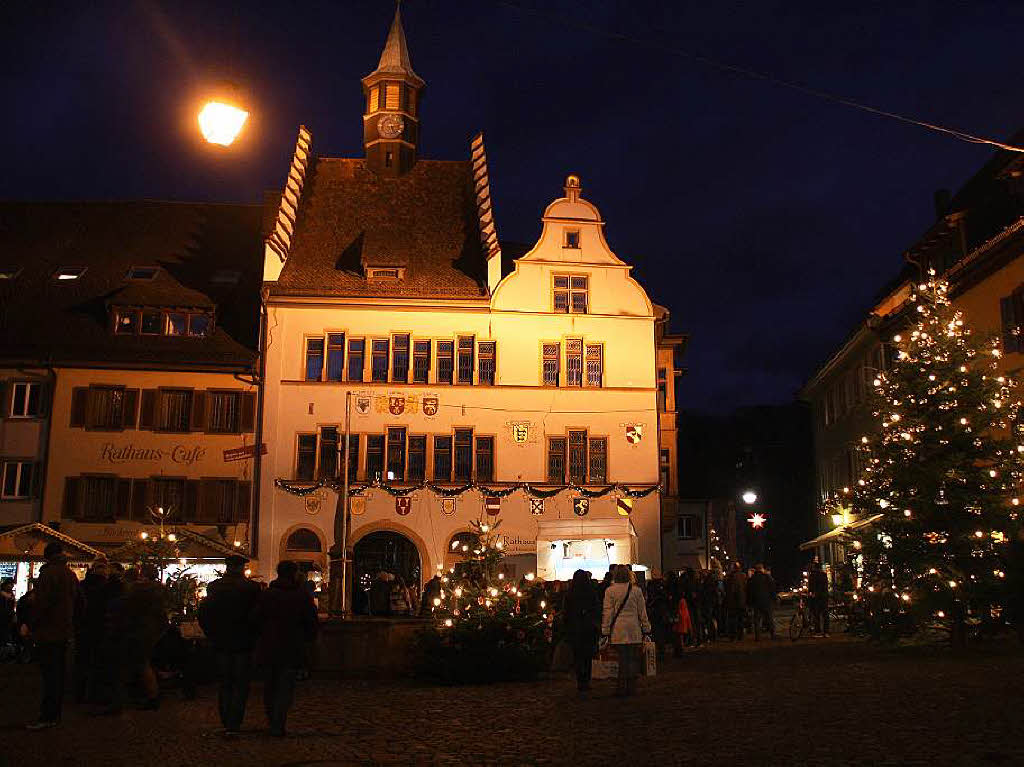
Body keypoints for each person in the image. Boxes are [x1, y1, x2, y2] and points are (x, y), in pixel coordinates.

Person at [254, 560, 319, 737]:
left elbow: (256, 619)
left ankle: (271, 720)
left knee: (270, 686)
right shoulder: (302, 596)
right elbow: (311, 622)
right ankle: (278, 722)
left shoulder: (267, 594)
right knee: (285, 687)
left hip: (269, 646)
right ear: (294, 573)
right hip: (292, 647)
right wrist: (308, 640)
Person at [199, 554, 261, 736]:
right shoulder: (251, 588)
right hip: (243, 642)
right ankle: (235, 722)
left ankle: (226, 719)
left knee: (225, 682)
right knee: (241, 683)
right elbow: (257, 616)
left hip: (221, 641)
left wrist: (211, 634)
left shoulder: (214, 587)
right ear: (242, 568)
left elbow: (204, 613)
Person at [26, 541, 81, 729]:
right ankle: (54, 714)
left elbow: (43, 604)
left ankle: (47, 716)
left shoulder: (49, 574)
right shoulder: (70, 574)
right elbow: (80, 602)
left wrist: (31, 624)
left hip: (49, 630)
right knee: (57, 672)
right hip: (63, 629)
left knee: (50, 673)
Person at [106, 562, 167, 713]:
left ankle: (150, 696)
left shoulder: (137, 590)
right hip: (151, 629)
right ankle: (151, 693)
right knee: (144, 662)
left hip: (139, 629)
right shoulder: (158, 590)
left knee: (140, 663)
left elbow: (126, 608)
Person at [601, 565, 652, 697]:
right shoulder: (636, 591)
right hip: (634, 629)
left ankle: (620, 687)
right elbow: (642, 611)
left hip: (618, 630)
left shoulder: (610, 591)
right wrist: (646, 628)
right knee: (632, 660)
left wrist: (605, 630)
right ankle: (631, 687)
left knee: (621, 661)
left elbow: (608, 612)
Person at [74, 556, 110, 702]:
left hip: (84, 627)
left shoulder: (82, 585)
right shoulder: (108, 587)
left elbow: (76, 607)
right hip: (102, 628)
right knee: (99, 662)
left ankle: (80, 693)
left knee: (83, 661)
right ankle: (96, 695)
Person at [563, 569, 601, 693]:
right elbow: (596, 609)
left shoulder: (570, 594)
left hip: (575, 629)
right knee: (588, 656)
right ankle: (587, 680)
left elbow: (566, 613)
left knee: (577, 656)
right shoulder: (591, 593)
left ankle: (580, 680)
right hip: (589, 628)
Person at [747, 563, 777, 641]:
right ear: (762, 569)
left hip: (756, 602)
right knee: (769, 618)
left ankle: (758, 637)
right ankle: (772, 635)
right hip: (767, 601)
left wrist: (750, 602)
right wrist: (774, 599)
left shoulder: (752, 579)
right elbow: (772, 588)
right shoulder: (767, 577)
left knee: (757, 620)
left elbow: (749, 591)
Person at [724, 561, 748, 641]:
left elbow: (731, 590)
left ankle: (733, 636)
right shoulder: (743, 576)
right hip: (742, 601)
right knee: (740, 619)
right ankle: (740, 636)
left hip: (733, 602)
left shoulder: (731, 577)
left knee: (733, 620)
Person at [808, 561, 830, 637]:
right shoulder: (824, 575)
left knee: (816, 615)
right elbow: (826, 586)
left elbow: (811, 587)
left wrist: (811, 593)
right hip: (824, 596)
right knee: (825, 615)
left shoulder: (812, 575)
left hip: (816, 597)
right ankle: (826, 632)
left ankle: (818, 632)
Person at [0, 577, 15, 661]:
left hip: (7, 618)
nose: (11, 586)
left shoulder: (10, 595)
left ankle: (5, 654)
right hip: (3, 618)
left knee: (6, 635)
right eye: (10, 584)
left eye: (12, 584)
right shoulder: (4, 595)